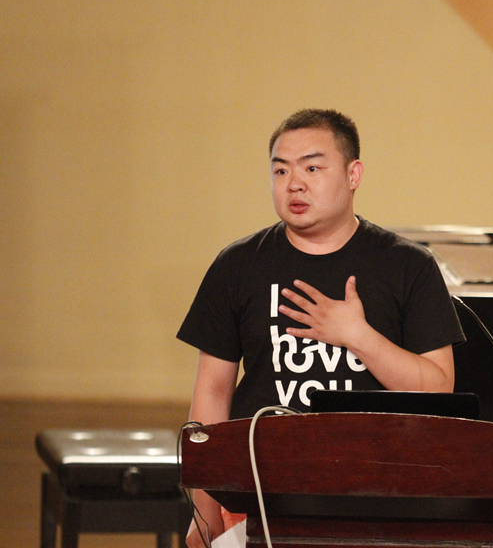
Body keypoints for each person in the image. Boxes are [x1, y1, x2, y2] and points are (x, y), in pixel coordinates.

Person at [177, 108, 465, 547]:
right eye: (280, 170)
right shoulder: (237, 265)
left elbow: (438, 389)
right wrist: (204, 508)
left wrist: (358, 335)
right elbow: (212, 393)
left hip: (379, 495)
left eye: (312, 168)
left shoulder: (408, 266)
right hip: (258, 492)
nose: (294, 183)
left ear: (353, 175)